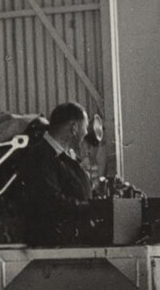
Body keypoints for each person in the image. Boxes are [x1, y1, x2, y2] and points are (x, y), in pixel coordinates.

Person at [14, 100, 97, 246]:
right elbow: (50, 201)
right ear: (74, 128)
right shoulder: (40, 156)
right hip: (52, 245)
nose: (86, 133)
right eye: (84, 128)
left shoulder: (63, 157)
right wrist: (92, 208)